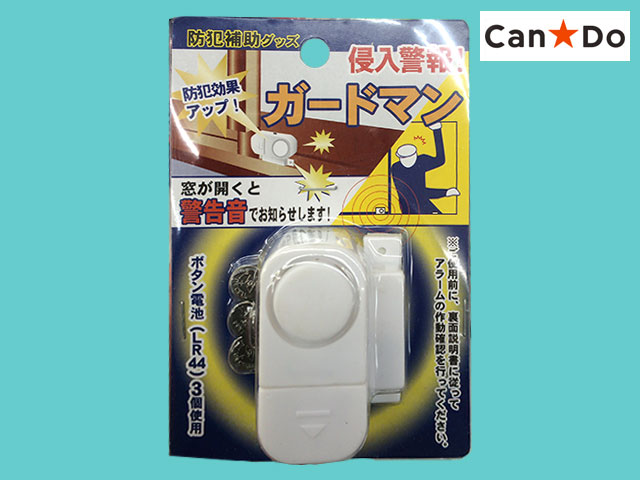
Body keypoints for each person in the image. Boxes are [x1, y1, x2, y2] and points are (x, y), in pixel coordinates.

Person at [391, 123, 459, 214]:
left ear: (415, 154)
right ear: (399, 157)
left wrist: (437, 131)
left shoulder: (421, 160)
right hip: (409, 207)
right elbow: (419, 193)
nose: (408, 160)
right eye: (405, 158)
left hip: (424, 202)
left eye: (411, 157)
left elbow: (440, 160)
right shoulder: (396, 168)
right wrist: (445, 192)